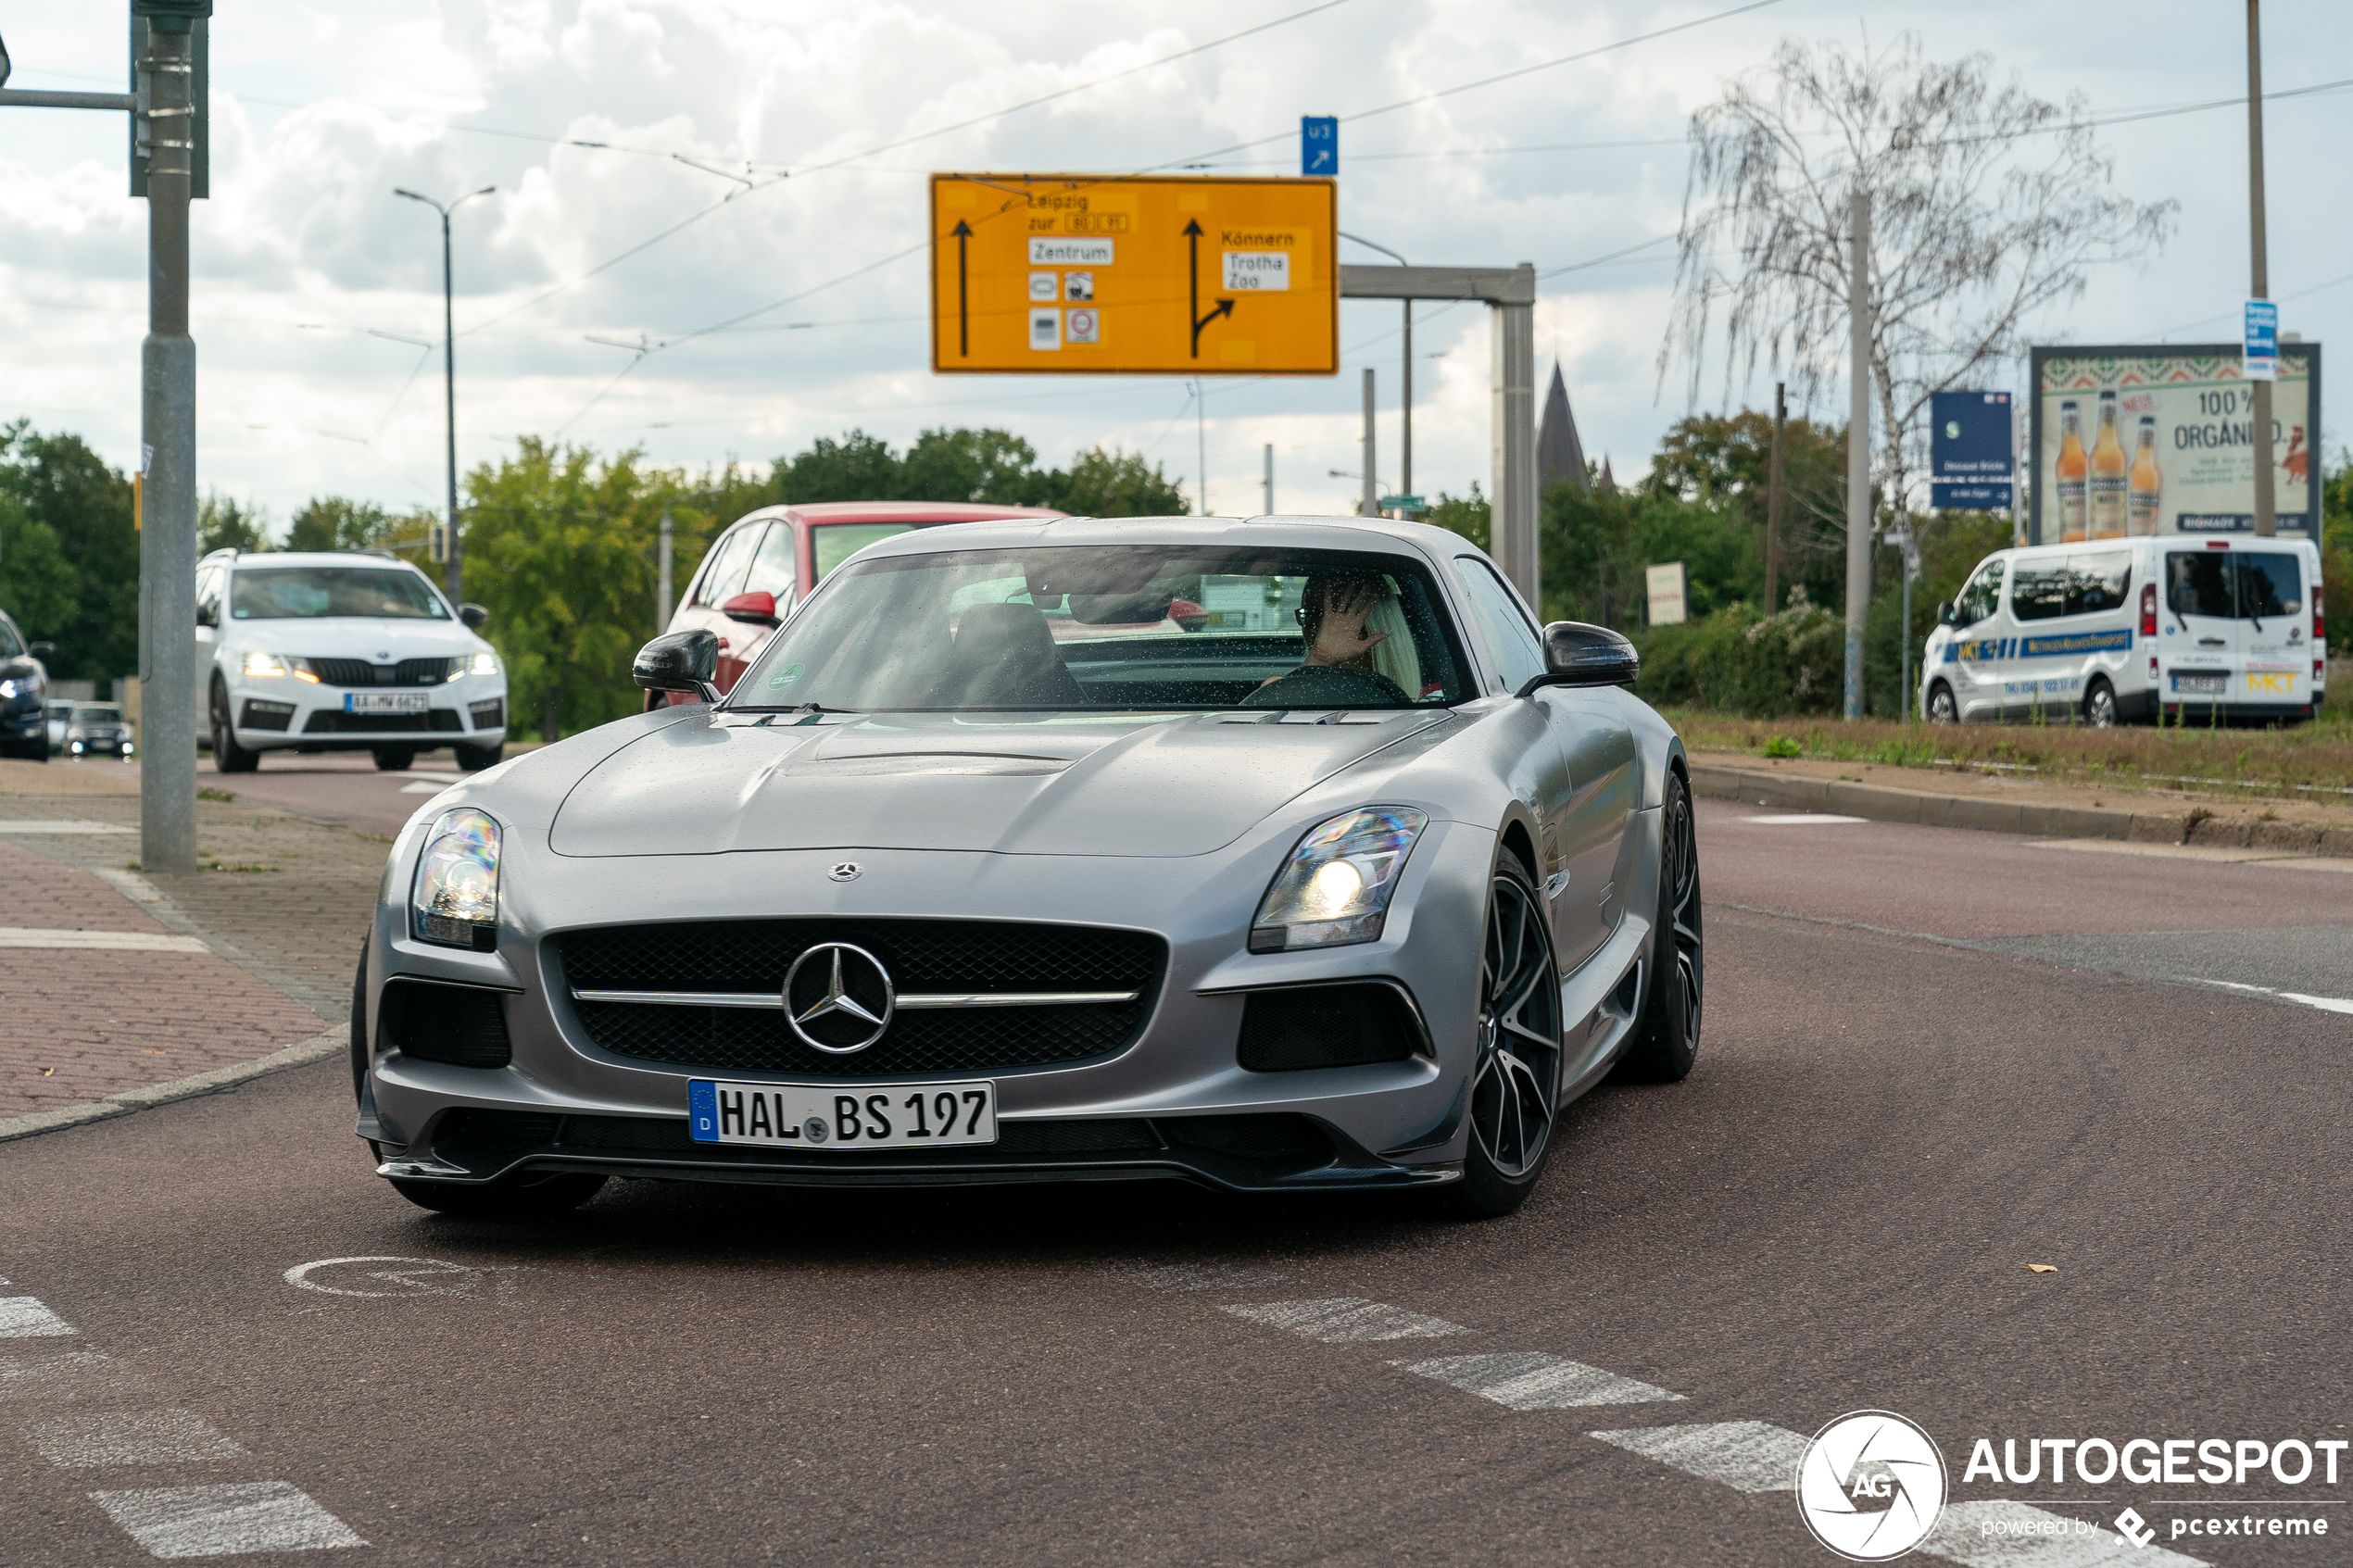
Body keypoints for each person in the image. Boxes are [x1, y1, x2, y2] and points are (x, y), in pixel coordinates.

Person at [1244, 571, 1414, 706]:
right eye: (1311, 615)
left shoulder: (1432, 701)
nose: (1324, 628)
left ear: (1374, 622)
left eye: (1340, 614)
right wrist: (1318, 662)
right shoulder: (1281, 691)